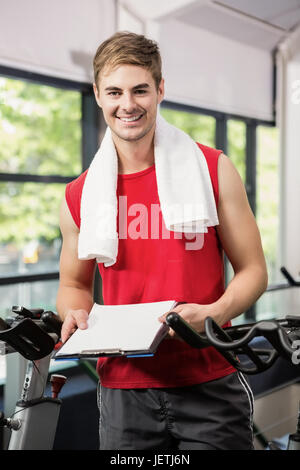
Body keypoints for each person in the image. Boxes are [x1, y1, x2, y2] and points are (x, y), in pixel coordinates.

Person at [56, 31, 268, 450]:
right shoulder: (78, 195)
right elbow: (74, 286)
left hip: (208, 379)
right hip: (123, 390)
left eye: (140, 90)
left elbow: (254, 270)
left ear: (160, 90)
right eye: (114, 91)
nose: (128, 104)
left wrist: (214, 312)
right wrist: (75, 316)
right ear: (98, 94)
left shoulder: (213, 170)